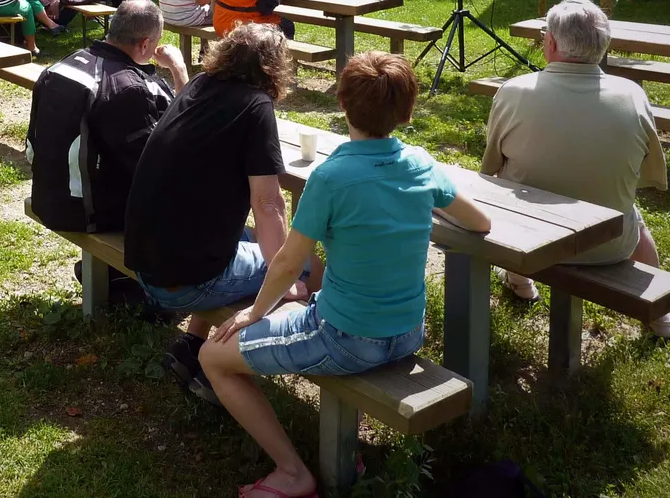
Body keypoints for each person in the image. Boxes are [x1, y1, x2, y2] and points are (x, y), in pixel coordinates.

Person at [198, 51, 491, 498]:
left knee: (211, 357)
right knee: (314, 301)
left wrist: (254, 313)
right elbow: (480, 222)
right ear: (407, 112)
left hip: (347, 339)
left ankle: (292, 473)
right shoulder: (421, 163)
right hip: (408, 333)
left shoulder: (331, 176)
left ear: (341, 103)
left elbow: (288, 263)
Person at [124, 24, 307, 401]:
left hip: (145, 261)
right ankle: (225, 368)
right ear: (274, 68)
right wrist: (286, 279)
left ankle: (191, 345)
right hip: (184, 282)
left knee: (242, 240)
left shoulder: (199, 85)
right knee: (304, 266)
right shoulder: (256, 105)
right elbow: (268, 204)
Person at [483, 0, 670, 338]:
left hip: (528, 239)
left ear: (551, 43)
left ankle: (520, 282)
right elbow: (645, 175)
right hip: (609, 244)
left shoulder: (513, 91)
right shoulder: (632, 94)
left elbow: (491, 169)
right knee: (632, 215)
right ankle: (661, 317)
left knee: (512, 186)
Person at [27, 0, 188, 236]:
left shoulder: (60, 66)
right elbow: (162, 163)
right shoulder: (127, 89)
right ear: (145, 44)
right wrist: (179, 70)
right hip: (87, 214)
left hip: (48, 197)